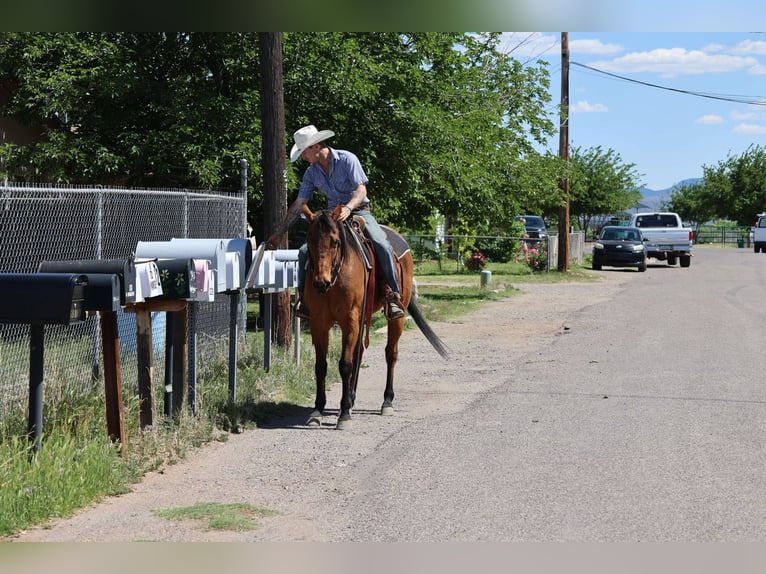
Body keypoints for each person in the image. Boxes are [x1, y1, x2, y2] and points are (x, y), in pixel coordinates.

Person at [266, 125, 405, 320]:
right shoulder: (311, 173)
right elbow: (299, 204)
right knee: (305, 251)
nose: (304, 157)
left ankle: (392, 294)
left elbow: (361, 190)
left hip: (358, 211)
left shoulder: (347, 159)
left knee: (380, 243)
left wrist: (348, 208)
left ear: (315, 147)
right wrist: (280, 232)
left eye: (304, 152)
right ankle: (305, 299)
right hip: (333, 217)